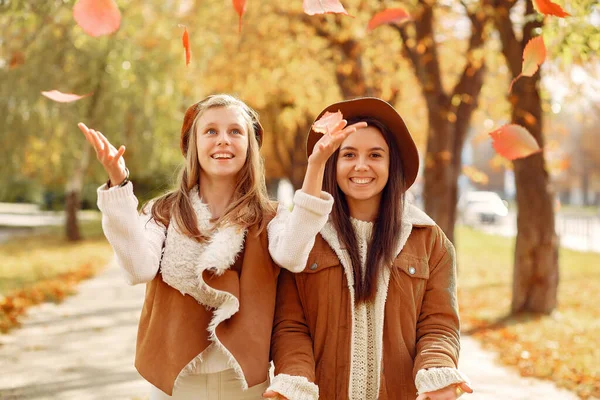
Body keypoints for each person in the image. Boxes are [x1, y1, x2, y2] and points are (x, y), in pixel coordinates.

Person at [263, 97, 473, 400]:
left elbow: (438, 325)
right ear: (334, 163)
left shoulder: (429, 240)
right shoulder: (304, 238)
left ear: (392, 164)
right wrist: (294, 381)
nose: (361, 165)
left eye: (375, 155)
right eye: (349, 154)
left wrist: (436, 371)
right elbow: (291, 327)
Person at [79, 94, 282, 400]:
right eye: (210, 131)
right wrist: (119, 184)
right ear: (193, 145)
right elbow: (138, 270)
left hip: (247, 383)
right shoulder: (162, 212)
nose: (223, 140)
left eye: (235, 131)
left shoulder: (270, 219)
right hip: (176, 382)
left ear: (250, 145)